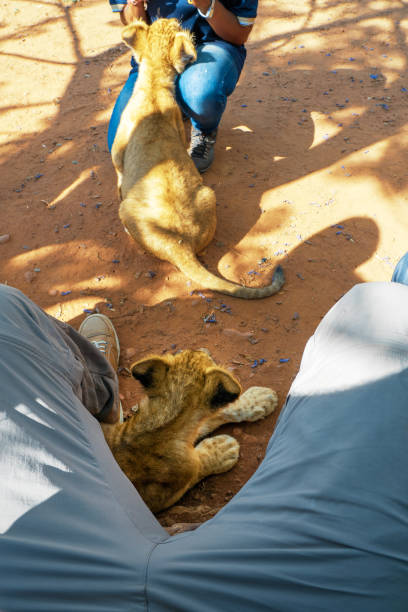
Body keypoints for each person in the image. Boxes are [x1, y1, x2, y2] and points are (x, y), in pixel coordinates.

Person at [0, 253, 407, 611]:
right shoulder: (179, 463)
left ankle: (89, 398)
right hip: (239, 588)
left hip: (41, 576)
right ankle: (91, 390)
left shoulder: (152, 420)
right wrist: (207, 457)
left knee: (5, 311)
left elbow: (168, 431)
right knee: (380, 311)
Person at [107, 0, 257, 173]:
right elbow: (130, 19)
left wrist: (206, 4)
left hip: (212, 44)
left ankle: (204, 130)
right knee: (122, 147)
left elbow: (240, 34)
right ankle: (181, 104)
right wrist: (135, 4)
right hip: (158, 53)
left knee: (201, 91)